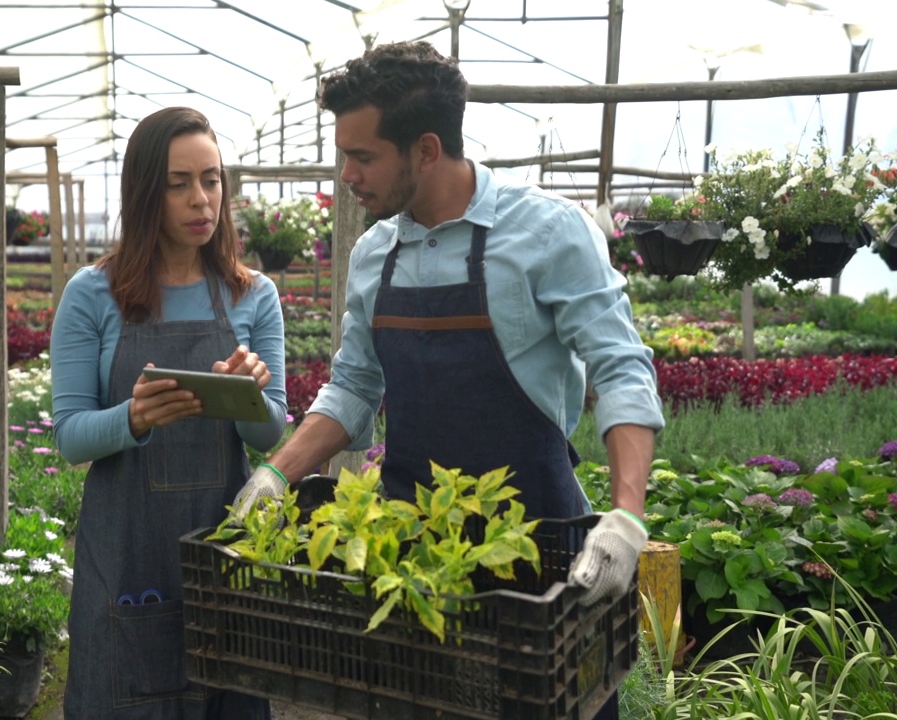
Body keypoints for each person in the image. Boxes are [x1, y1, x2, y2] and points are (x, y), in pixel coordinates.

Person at [231, 41, 664, 720]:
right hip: (413, 560)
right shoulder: (376, 253)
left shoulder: (549, 233)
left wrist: (628, 515)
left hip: (539, 550)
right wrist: (276, 474)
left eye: (363, 156)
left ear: (426, 149)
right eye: (343, 154)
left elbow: (621, 368)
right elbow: (352, 387)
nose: (347, 175)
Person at [52, 106, 284, 720]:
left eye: (211, 179)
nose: (200, 199)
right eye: (178, 183)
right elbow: (71, 436)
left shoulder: (252, 294)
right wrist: (133, 418)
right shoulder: (93, 294)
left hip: (223, 546)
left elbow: (269, 433)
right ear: (144, 191)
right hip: (127, 553)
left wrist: (252, 395)